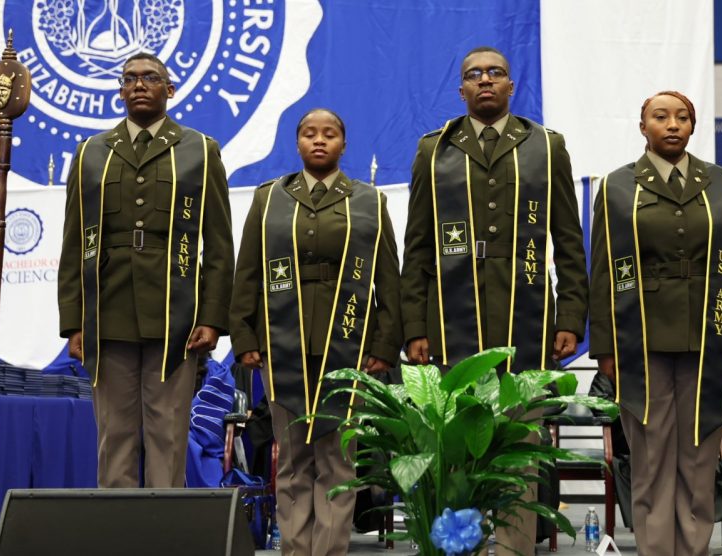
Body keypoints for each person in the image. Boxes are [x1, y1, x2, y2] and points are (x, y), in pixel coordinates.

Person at [400, 46, 587, 554]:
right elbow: (417, 245)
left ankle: (512, 549)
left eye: (496, 73)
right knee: (457, 450)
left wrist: (569, 314)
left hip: (525, 319)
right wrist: (414, 326)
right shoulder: (433, 150)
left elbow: (568, 237)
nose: (485, 80)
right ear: (460, 89)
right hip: (450, 320)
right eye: (474, 75)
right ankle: (462, 548)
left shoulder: (547, 147)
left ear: (511, 85)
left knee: (520, 451)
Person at [589, 91, 722, 556]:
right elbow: (602, 269)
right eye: (660, 117)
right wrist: (605, 346)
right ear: (643, 127)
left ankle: (694, 548)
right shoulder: (620, 186)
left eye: (683, 117)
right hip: (640, 339)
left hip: (709, 334)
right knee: (650, 456)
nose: (673, 125)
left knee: (701, 456)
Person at [230, 108, 402, 556]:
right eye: (309, 134)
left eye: (329, 134)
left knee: (336, 459)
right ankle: (294, 550)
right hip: (281, 348)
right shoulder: (270, 199)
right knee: (290, 458)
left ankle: (327, 551)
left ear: (344, 144)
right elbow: (247, 273)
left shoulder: (368, 200)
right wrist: (245, 339)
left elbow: (390, 280)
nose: (319, 140)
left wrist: (384, 344)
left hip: (348, 347)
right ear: (298, 142)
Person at [58, 52, 233, 488]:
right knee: (114, 434)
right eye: (130, 78)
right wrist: (73, 321)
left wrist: (211, 317)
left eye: (150, 78)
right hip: (108, 311)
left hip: (176, 315)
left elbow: (219, 245)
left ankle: (163, 536)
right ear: (119, 90)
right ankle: (118, 539)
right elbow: (73, 242)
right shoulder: (90, 153)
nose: (139, 84)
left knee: (167, 433)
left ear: (169, 90)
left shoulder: (200, 151)